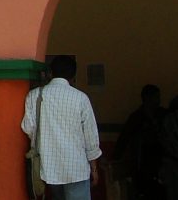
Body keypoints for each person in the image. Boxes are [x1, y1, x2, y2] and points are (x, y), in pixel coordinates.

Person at [21, 55, 101, 200]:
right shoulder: (81, 98)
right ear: (73, 76)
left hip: (48, 169)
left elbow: (28, 128)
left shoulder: (34, 96)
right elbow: (90, 138)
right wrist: (94, 169)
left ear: (50, 73)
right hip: (77, 169)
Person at [112, 84, 166, 199]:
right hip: (142, 164)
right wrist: (114, 159)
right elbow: (123, 139)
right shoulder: (137, 118)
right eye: (156, 97)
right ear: (147, 98)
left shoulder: (162, 115)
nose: (158, 100)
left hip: (160, 163)